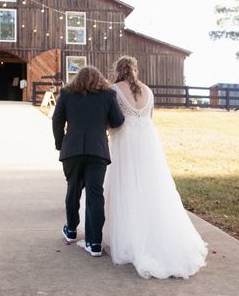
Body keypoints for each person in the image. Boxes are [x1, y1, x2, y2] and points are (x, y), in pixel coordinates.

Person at [104, 56, 208, 278]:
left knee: (126, 185)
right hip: (147, 142)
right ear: (135, 69)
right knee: (151, 186)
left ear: (118, 70)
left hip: (125, 141)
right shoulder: (148, 91)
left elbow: (113, 120)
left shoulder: (113, 89)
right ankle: (154, 231)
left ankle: (130, 237)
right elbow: (150, 118)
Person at [52, 66, 125, 257]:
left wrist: (60, 143)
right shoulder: (108, 95)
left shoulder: (67, 93)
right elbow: (118, 120)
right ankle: (95, 243)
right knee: (95, 195)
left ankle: (71, 231)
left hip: (72, 150)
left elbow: (57, 119)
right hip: (97, 151)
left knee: (73, 190)